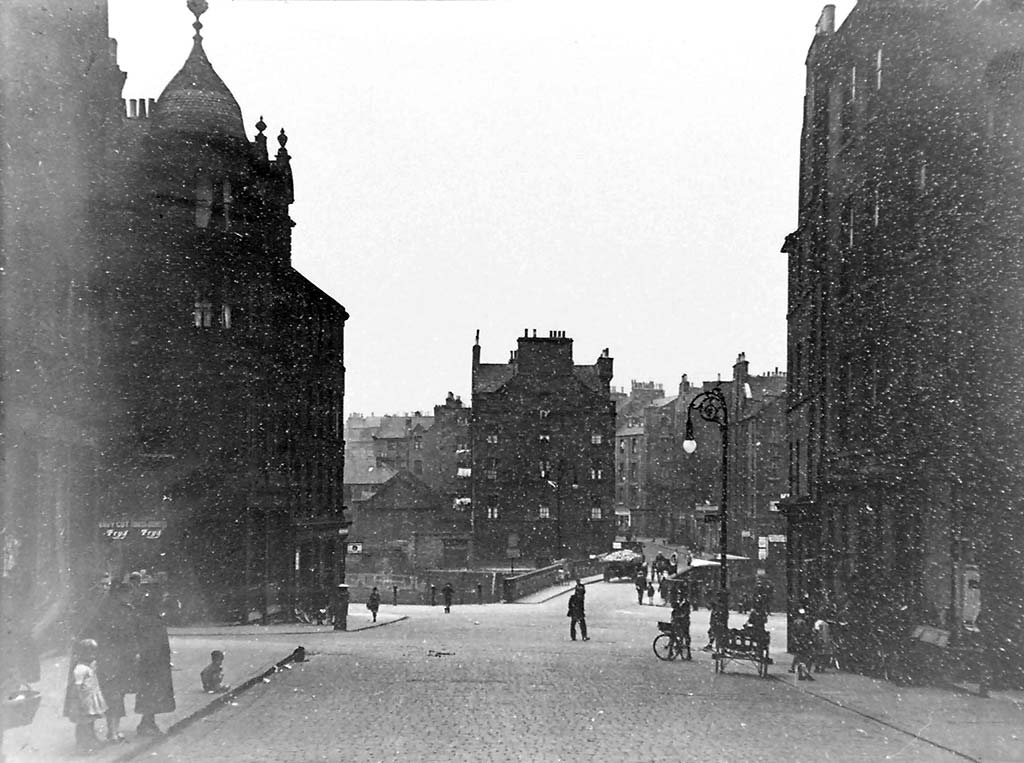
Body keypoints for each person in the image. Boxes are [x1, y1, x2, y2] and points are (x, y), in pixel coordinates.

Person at [83, 580, 138, 743]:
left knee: (114, 695)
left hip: (113, 657)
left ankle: (112, 731)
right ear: (119, 594)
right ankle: (112, 732)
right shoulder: (117, 610)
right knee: (113, 695)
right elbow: (125, 633)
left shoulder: (108, 608)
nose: (130, 597)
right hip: (113, 658)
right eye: (127, 594)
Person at [133, 584, 175, 736]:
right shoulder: (147, 620)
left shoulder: (153, 618)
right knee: (150, 693)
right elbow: (148, 642)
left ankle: (148, 722)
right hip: (151, 664)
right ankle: (146, 724)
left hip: (158, 663)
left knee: (155, 694)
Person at [64, 638, 107, 754]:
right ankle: (82, 746)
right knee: (83, 723)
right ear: (82, 654)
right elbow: (77, 687)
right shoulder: (80, 669)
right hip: (83, 699)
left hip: (90, 697)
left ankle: (92, 740)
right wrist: (81, 701)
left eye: (94, 652)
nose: (93, 655)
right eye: (89, 653)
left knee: (90, 720)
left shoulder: (90, 665)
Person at [790, 608, 815, 681]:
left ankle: (797, 671)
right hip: (803, 641)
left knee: (798, 656)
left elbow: (793, 631)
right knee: (805, 658)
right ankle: (805, 673)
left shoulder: (795, 622)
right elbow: (806, 632)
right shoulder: (803, 623)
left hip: (798, 641)